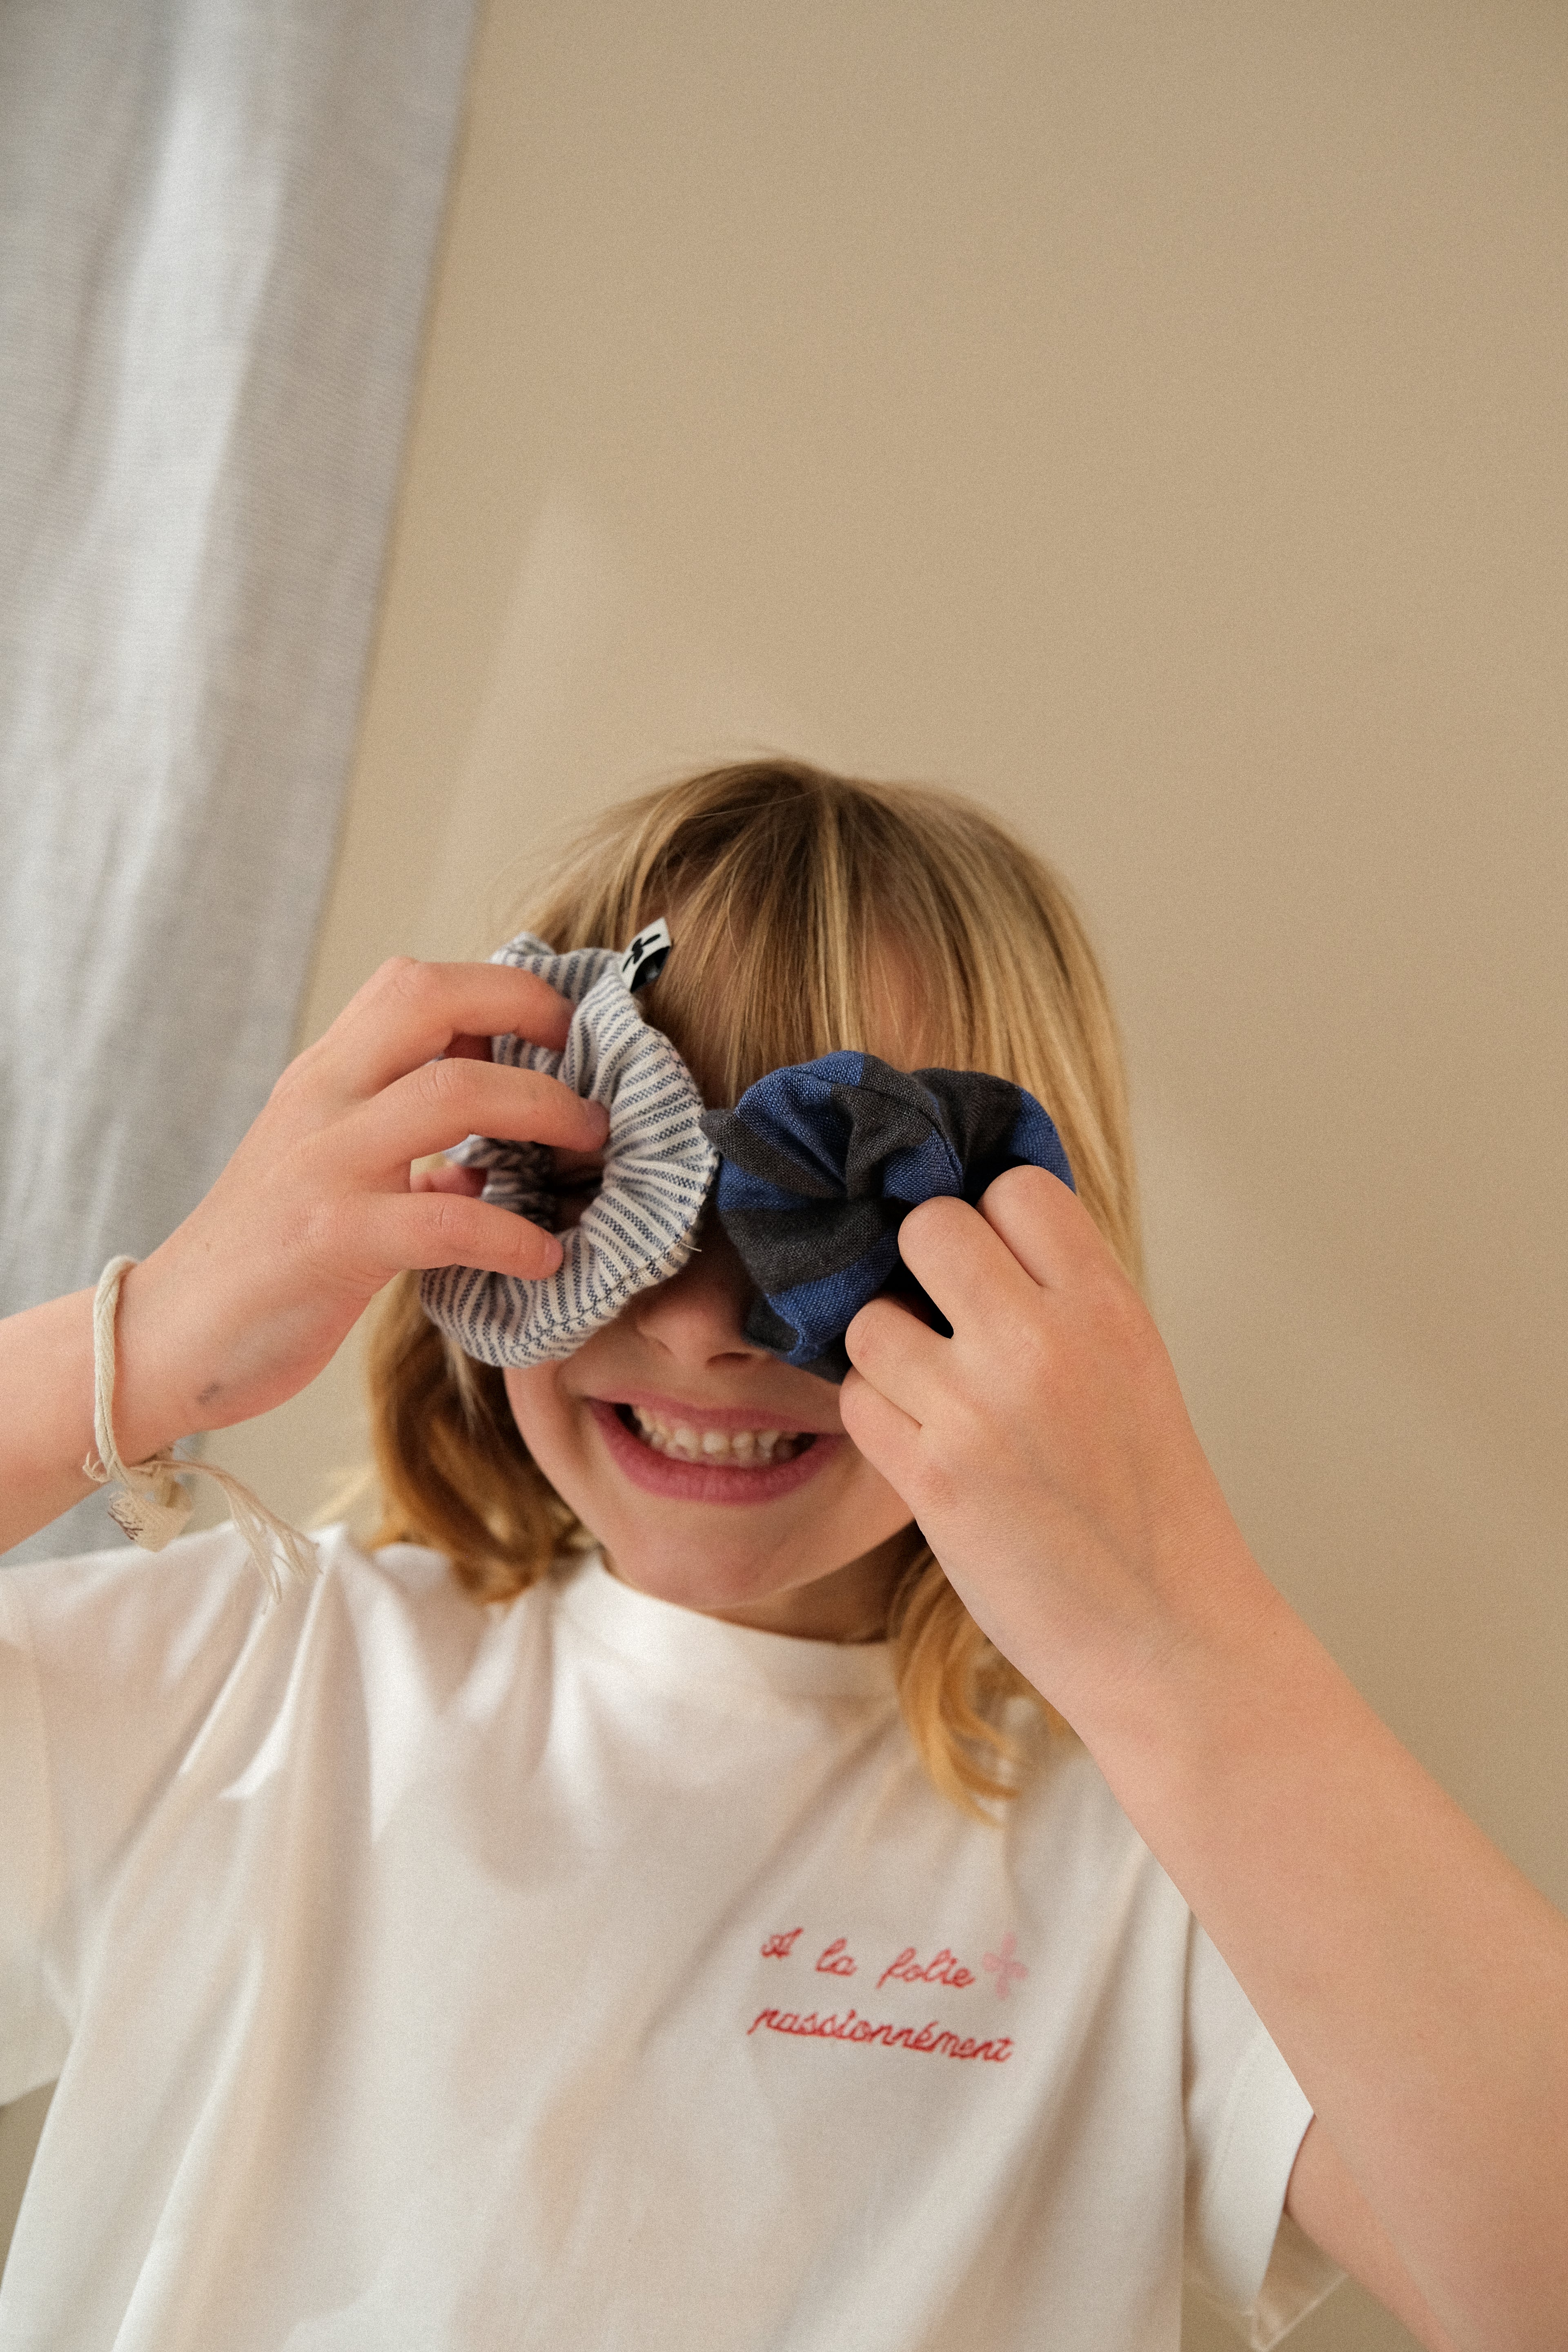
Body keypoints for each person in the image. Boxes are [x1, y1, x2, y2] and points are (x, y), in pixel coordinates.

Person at [0, 762, 1562, 2352]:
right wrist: (134, 1350)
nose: (701, 1327)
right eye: (609, 1186)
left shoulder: (1176, 1869)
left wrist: (1168, 1621)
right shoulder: (248, 1678)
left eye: (837, 1212)